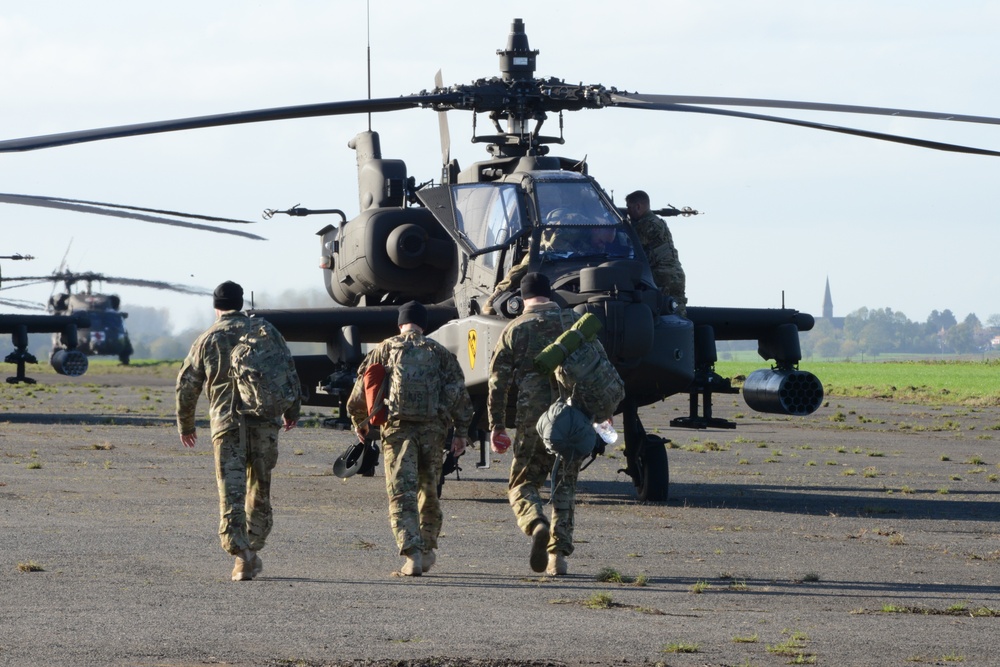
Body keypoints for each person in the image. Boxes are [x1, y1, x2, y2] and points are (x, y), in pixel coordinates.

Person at [176, 281, 300, 581]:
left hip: (226, 425)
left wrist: (186, 424)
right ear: (241, 302)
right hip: (264, 422)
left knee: (231, 493)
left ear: (216, 306)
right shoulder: (265, 331)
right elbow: (288, 370)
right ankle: (252, 547)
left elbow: (187, 385)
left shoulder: (207, 338)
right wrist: (291, 409)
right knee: (260, 489)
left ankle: (242, 556)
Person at [347, 300, 473, 577]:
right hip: (433, 431)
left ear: (399, 323)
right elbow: (460, 395)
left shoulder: (385, 348)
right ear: (424, 325)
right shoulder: (439, 351)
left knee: (401, 493)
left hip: (397, 432)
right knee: (428, 491)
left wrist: (360, 423)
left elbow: (362, 388)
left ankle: (412, 554)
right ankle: (427, 548)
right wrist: (461, 434)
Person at [487, 272, 584, 576]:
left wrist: (497, 425)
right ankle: (559, 559)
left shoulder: (514, 329)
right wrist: (604, 411)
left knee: (523, 482)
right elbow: (599, 369)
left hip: (533, 418)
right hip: (573, 415)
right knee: (565, 485)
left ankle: (535, 522)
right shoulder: (573, 324)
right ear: (549, 295)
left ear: (524, 298)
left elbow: (497, 383)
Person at [625, 189, 687, 315]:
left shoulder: (646, 224)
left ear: (638, 206)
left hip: (662, 277)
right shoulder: (657, 222)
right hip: (676, 275)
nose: (628, 212)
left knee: (661, 313)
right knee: (677, 312)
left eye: (629, 208)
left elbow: (628, 245)